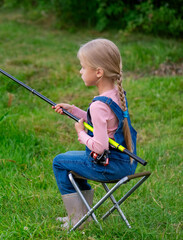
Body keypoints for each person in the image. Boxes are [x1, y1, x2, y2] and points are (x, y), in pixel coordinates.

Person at [52, 38, 138, 229]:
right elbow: (102, 125)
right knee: (73, 161)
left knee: (59, 162)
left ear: (98, 72)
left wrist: (81, 134)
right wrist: (73, 110)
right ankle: (84, 215)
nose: (80, 71)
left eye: (83, 67)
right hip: (125, 164)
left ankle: (78, 219)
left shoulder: (99, 105)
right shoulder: (116, 94)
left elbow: (100, 147)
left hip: (107, 167)